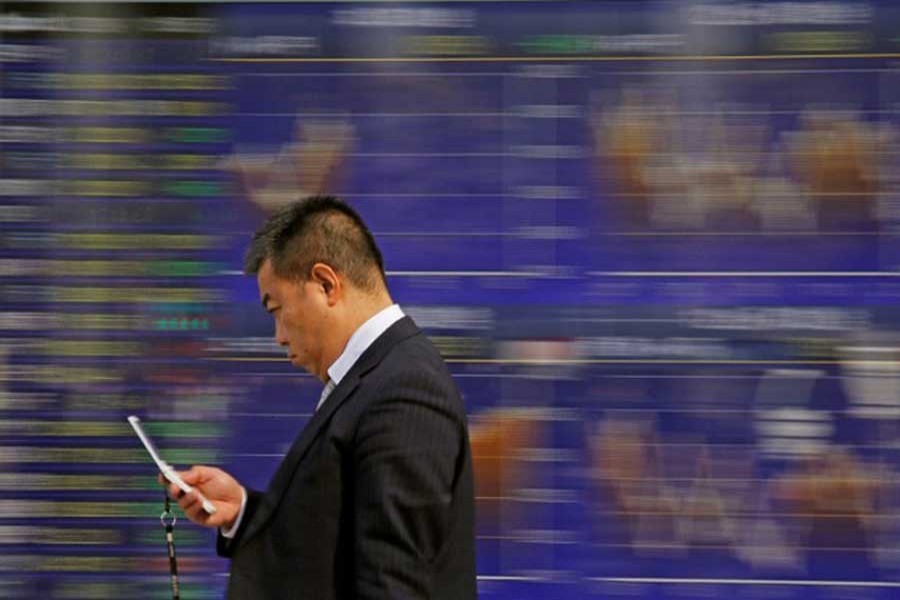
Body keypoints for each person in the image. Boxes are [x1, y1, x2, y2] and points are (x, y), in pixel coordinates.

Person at [162, 195, 477, 599]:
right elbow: (343, 541)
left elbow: (392, 581)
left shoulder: (405, 391)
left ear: (326, 284)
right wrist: (245, 512)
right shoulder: (377, 379)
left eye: (276, 309)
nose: (278, 336)